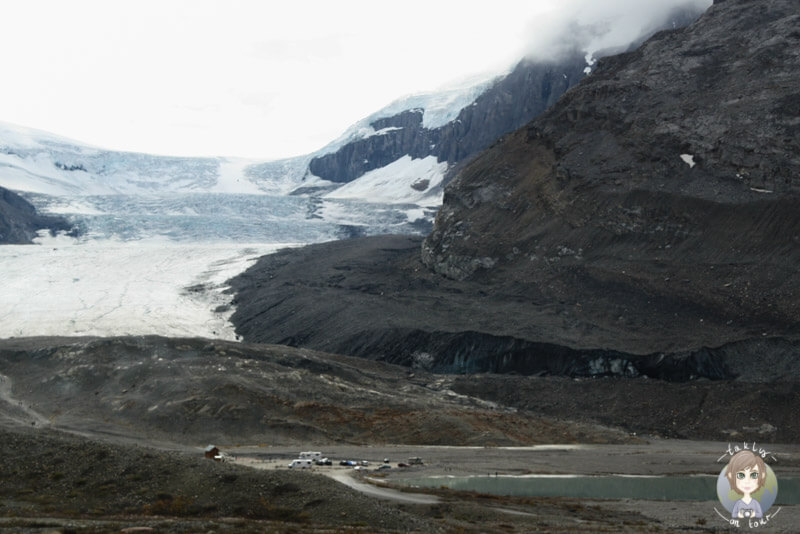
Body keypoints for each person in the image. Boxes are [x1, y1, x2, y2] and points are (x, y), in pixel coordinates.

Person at [725, 450, 767, 519]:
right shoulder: (738, 503)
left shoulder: (755, 503)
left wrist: (753, 514)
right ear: (731, 476)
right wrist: (739, 514)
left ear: (762, 475)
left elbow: (760, 514)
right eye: (741, 475)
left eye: (754, 475)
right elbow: (734, 514)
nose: (747, 481)